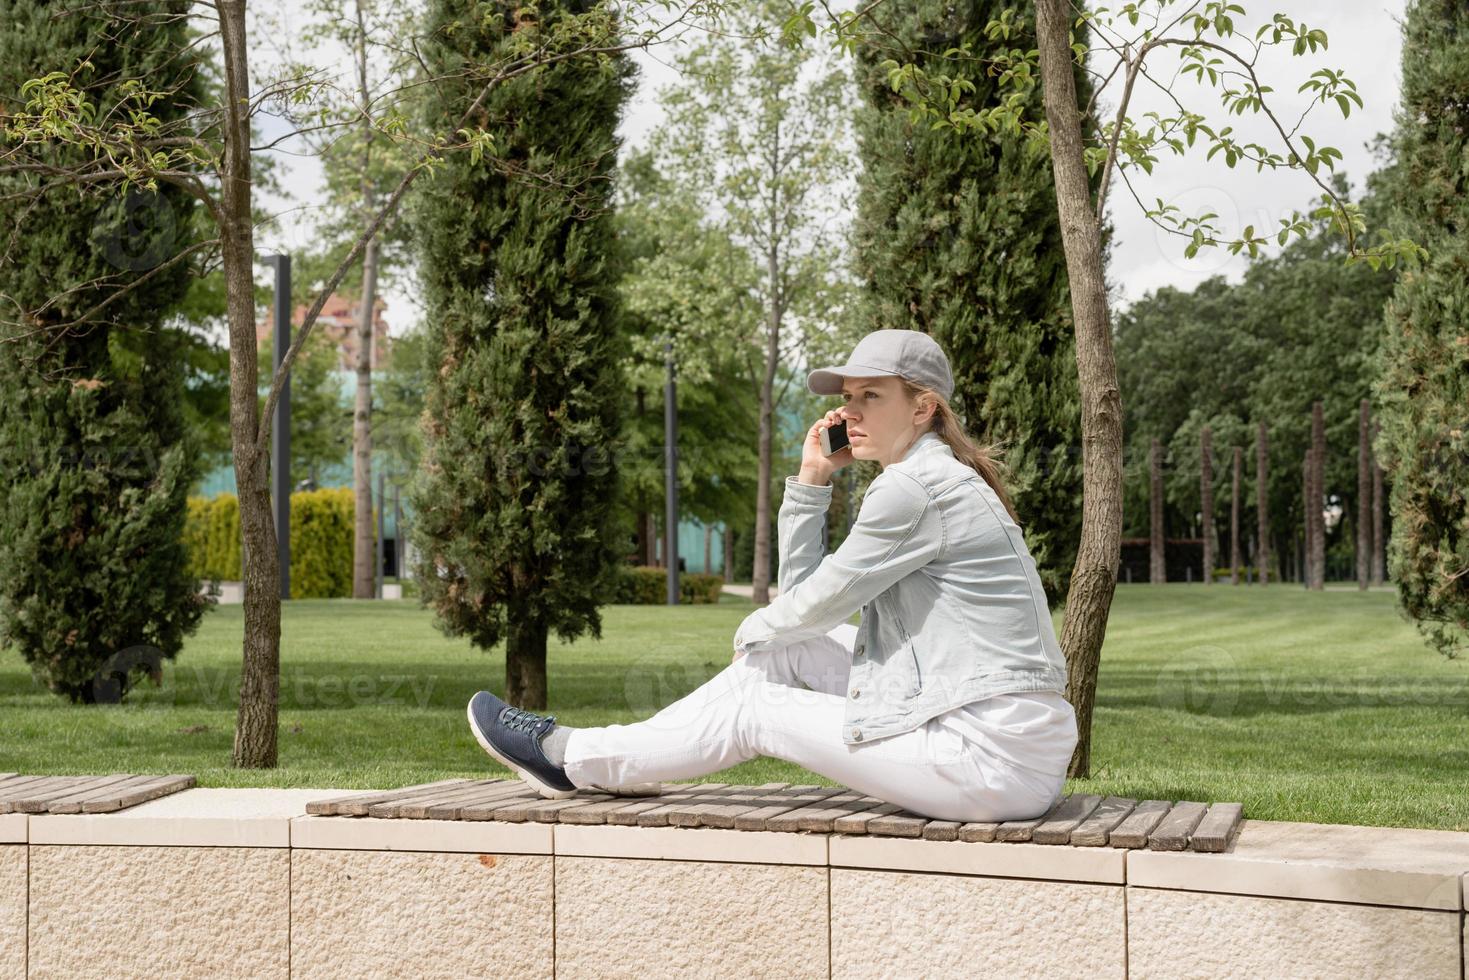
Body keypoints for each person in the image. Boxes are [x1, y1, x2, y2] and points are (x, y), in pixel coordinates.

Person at [467, 328, 1079, 823]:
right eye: (848, 396)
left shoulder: (915, 489)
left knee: (755, 704)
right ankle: (624, 757)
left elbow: (821, 602)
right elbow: (804, 608)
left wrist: (752, 631)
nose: (850, 410)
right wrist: (813, 481)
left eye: (872, 396)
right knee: (786, 651)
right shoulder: (926, 477)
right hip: (979, 734)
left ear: (923, 407)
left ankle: (570, 757)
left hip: (989, 758)